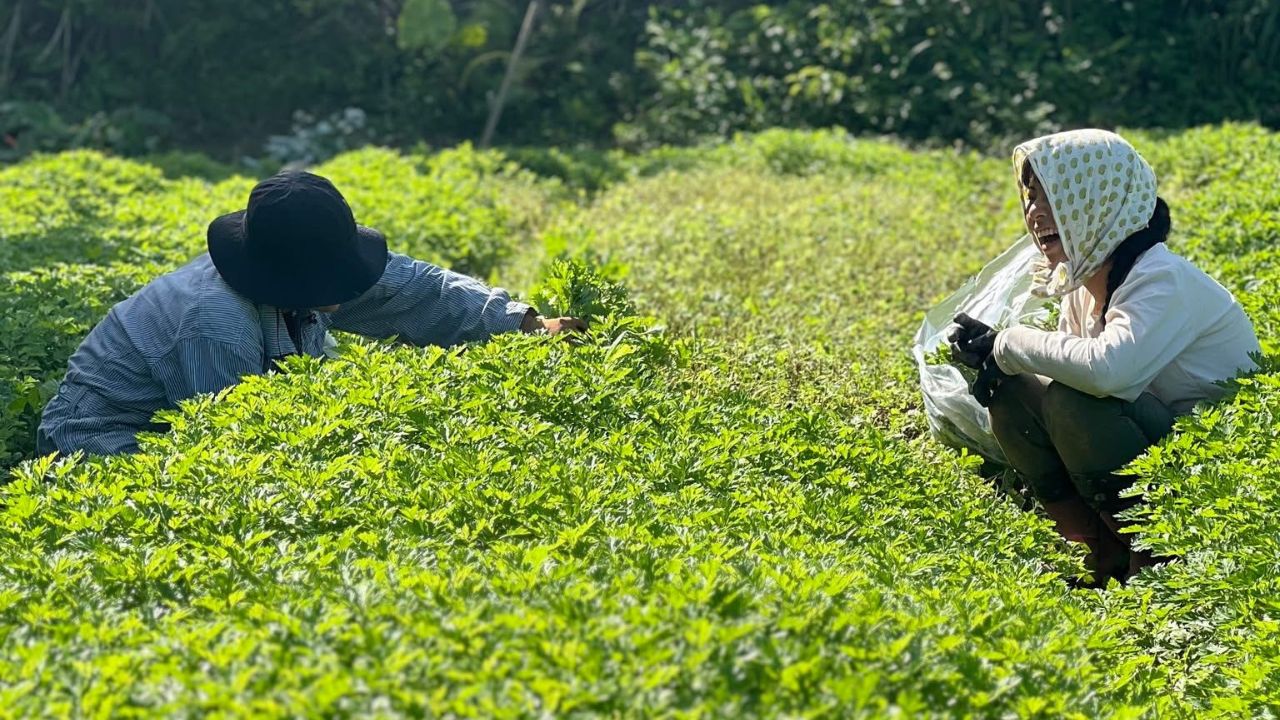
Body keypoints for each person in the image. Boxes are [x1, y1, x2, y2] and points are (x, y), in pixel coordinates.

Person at [37, 170, 584, 457]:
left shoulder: (300, 264)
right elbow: (235, 443)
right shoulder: (213, 320)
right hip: (100, 446)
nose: (349, 285)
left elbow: (419, 290)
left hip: (166, 429)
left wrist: (525, 326)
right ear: (293, 279)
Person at [947, 129, 1260, 587]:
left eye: (1052, 197)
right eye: (1030, 198)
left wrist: (1011, 343)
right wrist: (991, 356)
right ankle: (1097, 549)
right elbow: (1072, 368)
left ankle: (1156, 560)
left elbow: (1107, 372)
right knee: (1009, 392)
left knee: (1076, 401)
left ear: (1097, 199)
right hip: (1150, 446)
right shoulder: (1084, 284)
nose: (1035, 214)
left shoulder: (1162, 279)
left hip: (1206, 475)